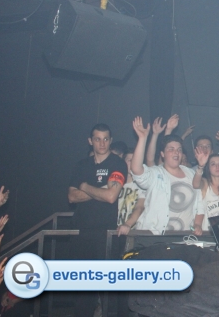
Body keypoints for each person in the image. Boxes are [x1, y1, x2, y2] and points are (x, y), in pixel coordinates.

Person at [67, 123, 127, 317]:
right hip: (81, 233)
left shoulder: (118, 164)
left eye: (106, 139)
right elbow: (72, 197)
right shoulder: (81, 165)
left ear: (110, 140)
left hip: (106, 235)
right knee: (83, 293)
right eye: (98, 139)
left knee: (109, 292)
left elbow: (111, 196)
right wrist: (100, 190)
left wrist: (85, 186)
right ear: (90, 141)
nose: (102, 143)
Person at [131, 117, 199, 234]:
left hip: (184, 237)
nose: (176, 152)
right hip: (155, 235)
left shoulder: (191, 174)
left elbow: (200, 204)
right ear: (162, 154)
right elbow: (137, 170)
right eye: (171, 149)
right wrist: (142, 138)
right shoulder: (156, 173)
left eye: (179, 149)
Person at [116, 149, 146, 236]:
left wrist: (127, 224)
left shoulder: (142, 185)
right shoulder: (115, 183)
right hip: (114, 230)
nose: (133, 162)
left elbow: (140, 207)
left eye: (135, 160)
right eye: (129, 160)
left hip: (133, 232)